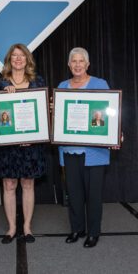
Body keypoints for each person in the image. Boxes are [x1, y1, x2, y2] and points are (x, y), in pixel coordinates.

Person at [58, 47, 111, 248]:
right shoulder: (62, 86)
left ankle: (93, 232)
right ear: (69, 65)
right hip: (69, 149)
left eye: (81, 61)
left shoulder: (100, 84)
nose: (78, 65)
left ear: (87, 64)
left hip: (94, 151)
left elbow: (110, 111)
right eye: (74, 61)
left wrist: (116, 132)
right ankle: (77, 228)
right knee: (74, 192)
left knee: (94, 194)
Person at [0, 43, 46, 244]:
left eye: (21, 55)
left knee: (27, 183)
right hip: (8, 145)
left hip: (31, 145)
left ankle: (27, 227)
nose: (18, 59)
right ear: (9, 60)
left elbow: (42, 114)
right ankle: (11, 228)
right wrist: (2, 97)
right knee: (8, 184)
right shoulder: (0, 84)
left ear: (27, 60)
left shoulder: (37, 82)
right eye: (14, 56)